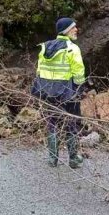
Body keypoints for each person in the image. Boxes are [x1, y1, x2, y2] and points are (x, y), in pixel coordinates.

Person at [31, 17, 86, 168]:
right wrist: (80, 89)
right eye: (73, 27)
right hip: (68, 92)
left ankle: (52, 159)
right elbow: (79, 72)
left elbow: (39, 71)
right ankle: (73, 158)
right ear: (67, 30)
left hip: (48, 91)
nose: (76, 30)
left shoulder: (45, 47)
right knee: (71, 122)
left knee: (51, 123)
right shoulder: (72, 48)